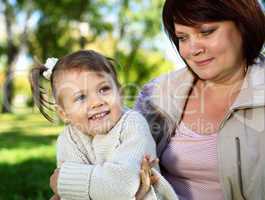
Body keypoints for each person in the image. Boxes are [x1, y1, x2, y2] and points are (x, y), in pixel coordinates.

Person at [135, 0, 265, 200]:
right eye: (182, 37)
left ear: (243, 25)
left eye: (206, 32)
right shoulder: (158, 95)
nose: (192, 49)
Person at [29, 50, 178, 200]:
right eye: (81, 97)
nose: (96, 102)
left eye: (104, 89)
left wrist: (66, 181)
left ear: (119, 93)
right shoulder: (69, 138)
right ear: (64, 113)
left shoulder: (133, 124)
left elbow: (123, 187)